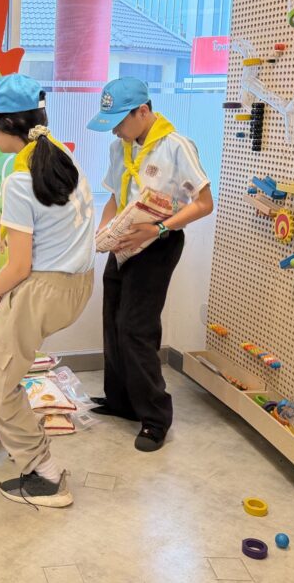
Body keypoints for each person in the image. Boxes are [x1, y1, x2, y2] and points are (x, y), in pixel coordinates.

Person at [0, 73, 95, 508]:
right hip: (77, 285)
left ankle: (46, 475)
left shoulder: (20, 180)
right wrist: (3, 230)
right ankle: (25, 446)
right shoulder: (58, 156)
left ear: (7, 124)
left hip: (44, 289)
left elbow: (19, 267)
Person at [86, 77, 214, 452]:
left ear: (142, 111)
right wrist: (105, 231)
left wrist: (157, 229)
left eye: (119, 121)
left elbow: (204, 203)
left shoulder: (176, 146)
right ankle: (122, 401)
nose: (115, 130)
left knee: (136, 328)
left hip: (158, 243)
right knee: (113, 320)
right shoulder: (120, 147)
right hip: (124, 241)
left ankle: (155, 418)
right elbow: (115, 196)